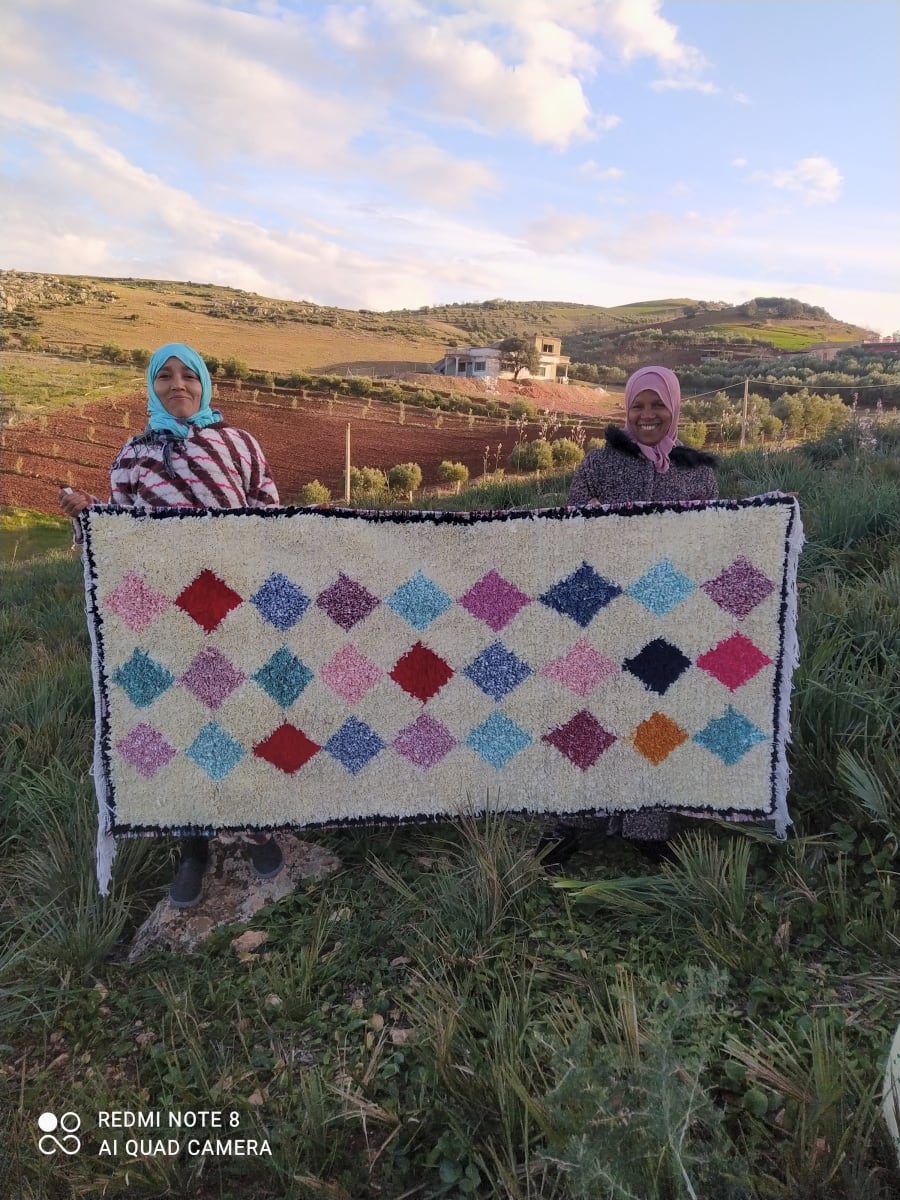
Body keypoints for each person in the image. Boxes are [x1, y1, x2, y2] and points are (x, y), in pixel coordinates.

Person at [59, 342, 284, 908]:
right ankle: (194, 846)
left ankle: (256, 823)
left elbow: (274, 519)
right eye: (165, 376)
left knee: (245, 710)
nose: (178, 385)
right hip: (167, 613)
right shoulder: (132, 457)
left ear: (206, 383)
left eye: (189, 375)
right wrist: (90, 515)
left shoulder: (240, 445)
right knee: (183, 719)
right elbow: (118, 538)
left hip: (237, 605)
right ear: (151, 388)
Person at [547, 364, 718, 864]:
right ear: (626, 411)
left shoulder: (697, 474)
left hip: (666, 614)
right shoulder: (598, 466)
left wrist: (772, 516)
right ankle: (569, 822)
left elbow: (711, 544)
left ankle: (645, 825)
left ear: (674, 408)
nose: (647, 415)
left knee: (653, 715)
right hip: (600, 612)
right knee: (586, 709)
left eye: (656, 405)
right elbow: (567, 534)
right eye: (637, 406)